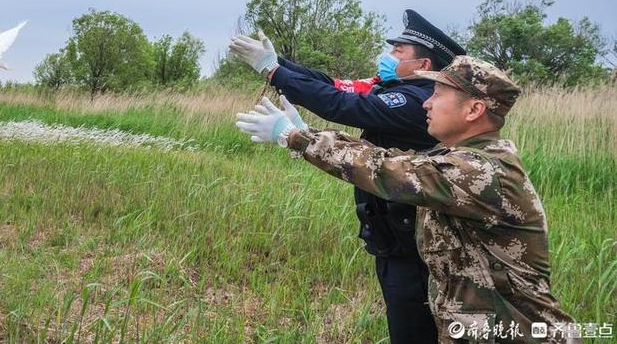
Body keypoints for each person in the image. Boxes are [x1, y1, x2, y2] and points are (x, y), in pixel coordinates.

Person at [236, 56, 578, 343]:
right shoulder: (459, 157)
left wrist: (295, 138)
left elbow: (386, 172)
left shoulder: (480, 171)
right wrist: (308, 134)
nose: (426, 102)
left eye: (438, 94)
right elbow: (392, 159)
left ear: (474, 109)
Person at [230, 9, 465, 343]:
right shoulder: (391, 87)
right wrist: (278, 63)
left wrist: (273, 72)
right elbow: (333, 86)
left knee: (413, 328)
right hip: (393, 233)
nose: (389, 55)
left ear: (424, 66)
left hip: (414, 243)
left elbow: (342, 106)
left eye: (399, 51)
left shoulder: (417, 101)